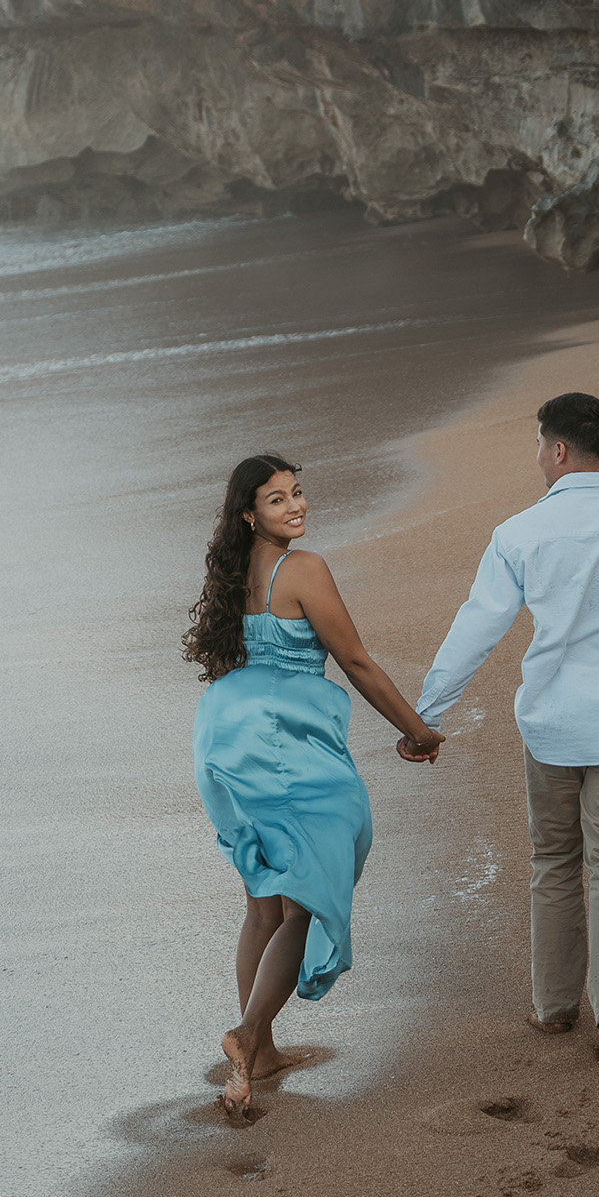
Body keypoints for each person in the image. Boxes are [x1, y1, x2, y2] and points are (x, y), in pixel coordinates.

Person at [405, 393, 599, 1061]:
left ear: (557, 449)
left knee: (552, 863)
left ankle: (554, 1007)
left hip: (550, 725)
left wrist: (427, 714)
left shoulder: (520, 532)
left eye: (538, 447)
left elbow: (477, 626)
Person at [184, 453, 443, 1118]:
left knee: (263, 905)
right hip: (284, 745)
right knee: (307, 897)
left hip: (223, 738)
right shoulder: (304, 570)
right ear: (250, 513)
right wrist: (418, 730)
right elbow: (354, 660)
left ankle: (263, 1051)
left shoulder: (228, 572)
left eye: (297, 493)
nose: (295, 506)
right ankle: (246, 1038)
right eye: (276, 500)